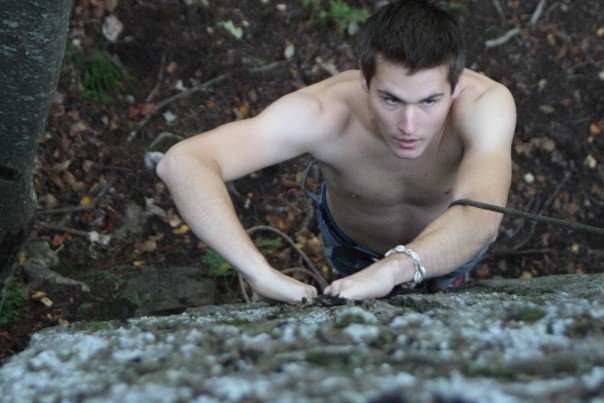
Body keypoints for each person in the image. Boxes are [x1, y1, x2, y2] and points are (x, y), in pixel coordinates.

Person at [157, 0, 516, 302]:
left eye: (429, 101)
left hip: (448, 248)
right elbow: (184, 162)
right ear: (364, 78)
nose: (409, 125)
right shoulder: (325, 113)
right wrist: (257, 272)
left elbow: (481, 217)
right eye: (390, 98)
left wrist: (395, 268)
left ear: (457, 85)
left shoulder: (485, 105)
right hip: (354, 248)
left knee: (446, 297)